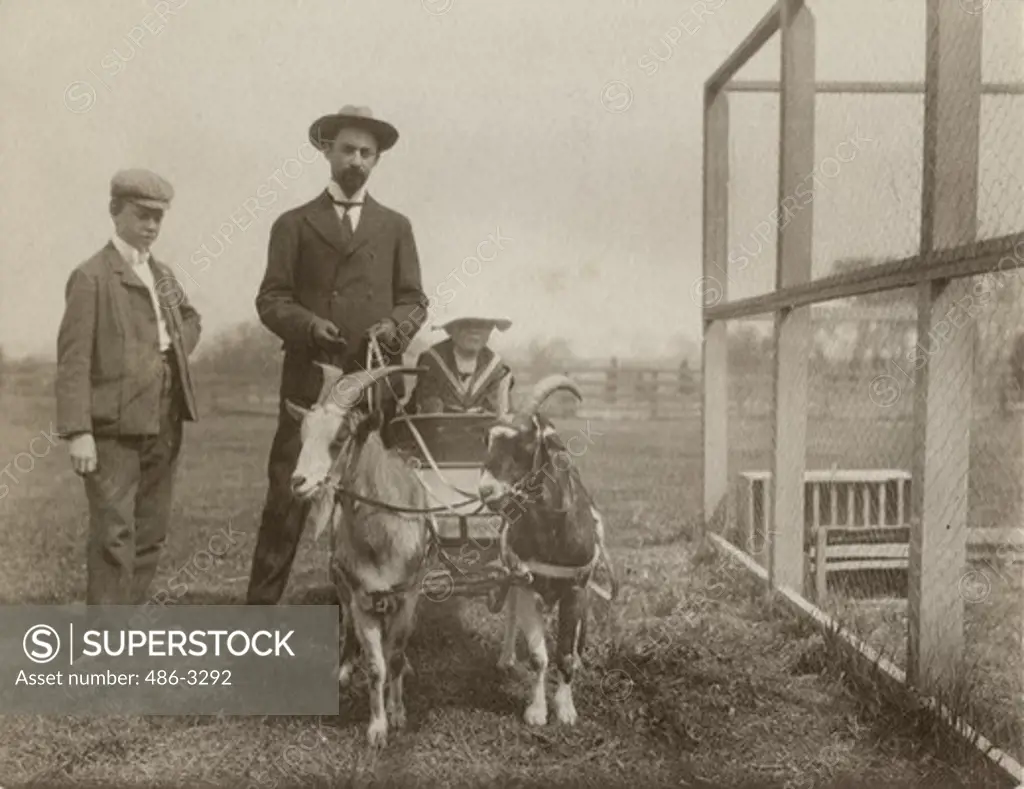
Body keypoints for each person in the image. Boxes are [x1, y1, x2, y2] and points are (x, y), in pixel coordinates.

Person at [246, 104, 430, 605]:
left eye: (367, 153)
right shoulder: (293, 224)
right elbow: (271, 299)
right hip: (310, 392)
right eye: (347, 149)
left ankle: (374, 616)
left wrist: (394, 325)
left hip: (374, 394)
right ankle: (257, 621)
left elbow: (415, 301)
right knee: (287, 501)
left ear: (377, 161)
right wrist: (307, 324)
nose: (356, 160)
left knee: (375, 505)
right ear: (326, 151)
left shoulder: (396, 226)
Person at [55, 168, 202, 605]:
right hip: (111, 430)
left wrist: (173, 349)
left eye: (159, 218)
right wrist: (78, 431)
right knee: (113, 536)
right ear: (114, 211)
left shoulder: (164, 275)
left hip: (165, 421)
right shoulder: (91, 277)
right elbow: (73, 360)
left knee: (150, 534)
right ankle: (102, 648)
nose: (152, 226)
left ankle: (125, 634)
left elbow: (191, 319)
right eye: (142, 215)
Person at [409, 314, 514, 415]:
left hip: (482, 429)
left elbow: (497, 410)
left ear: (491, 329)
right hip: (439, 428)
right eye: (466, 324)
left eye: (482, 325)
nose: (474, 331)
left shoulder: (496, 368)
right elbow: (429, 405)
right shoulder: (433, 360)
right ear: (451, 329)